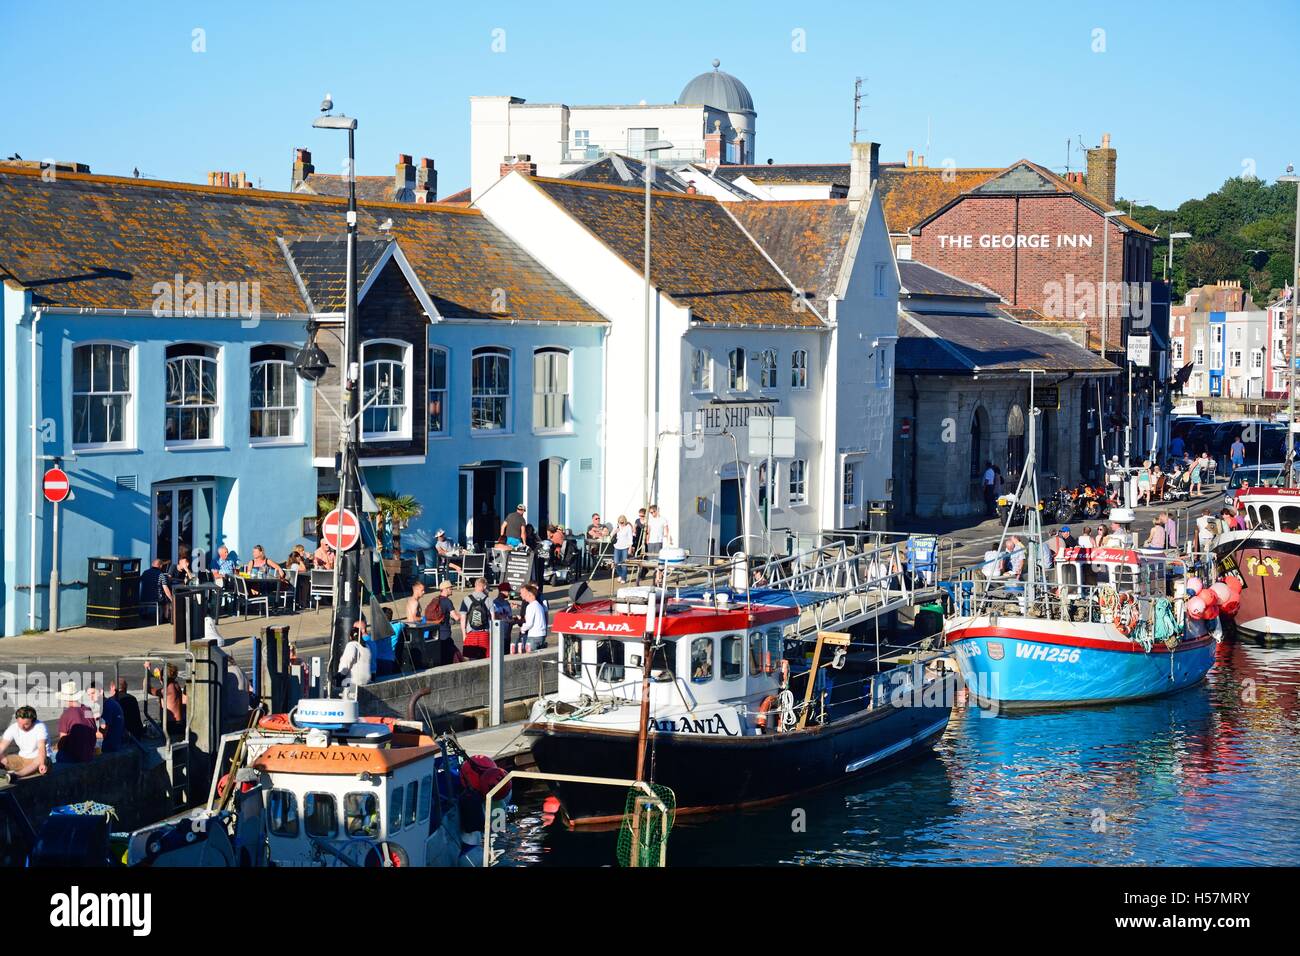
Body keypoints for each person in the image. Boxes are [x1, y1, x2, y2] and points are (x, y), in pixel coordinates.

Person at [54, 681, 97, 765]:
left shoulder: (66, 715)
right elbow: (93, 729)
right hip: (89, 753)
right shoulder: (87, 709)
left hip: (75, 757)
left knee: (55, 755)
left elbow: (62, 741)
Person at [1, 705, 49, 778]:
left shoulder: (40, 727)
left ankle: (17, 775)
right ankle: (7, 773)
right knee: (1, 757)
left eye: (26, 724)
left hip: (40, 760)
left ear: (33, 721)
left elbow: (42, 748)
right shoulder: (13, 728)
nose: (22, 727)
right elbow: (2, 746)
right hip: (22, 759)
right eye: (19, 723)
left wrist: (42, 764)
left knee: (39, 759)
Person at [146, 662, 186, 738]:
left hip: (172, 725)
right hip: (178, 723)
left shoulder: (168, 690)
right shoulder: (175, 685)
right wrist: (158, 676)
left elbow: (147, 689)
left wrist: (146, 672)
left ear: (164, 677)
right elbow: (164, 683)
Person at [457, 578, 492, 660]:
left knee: (472, 661)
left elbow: (463, 619)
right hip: (485, 634)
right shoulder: (489, 600)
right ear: (484, 586)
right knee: (485, 661)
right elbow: (493, 620)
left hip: (471, 634)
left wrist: (464, 635)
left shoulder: (466, 599)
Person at [424, 580, 457, 664]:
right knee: (450, 659)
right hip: (445, 634)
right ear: (445, 589)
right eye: (450, 588)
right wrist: (464, 615)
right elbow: (456, 617)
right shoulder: (447, 601)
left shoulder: (435, 599)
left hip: (434, 633)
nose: (452, 589)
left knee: (439, 658)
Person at [87, 681, 124, 755]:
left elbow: (102, 734)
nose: (90, 697)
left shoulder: (107, 706)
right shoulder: (109, 703)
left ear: (100, 691)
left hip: (109, 747)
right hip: (115, 743)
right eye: (88, 695)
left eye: (93, 693)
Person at [337, 620, 373, 688]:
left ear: (350, 637)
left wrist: (340, 674)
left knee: (337, 685)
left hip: (354, 681)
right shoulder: (366, 646)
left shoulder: (352, 645)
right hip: (366, 680)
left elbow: (347, 661)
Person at [519, 582, 549, 651]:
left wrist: (522, 629)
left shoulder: (531, 606)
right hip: (541, 635)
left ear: (530, 594)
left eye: (525, 594)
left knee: (529, 656)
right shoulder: (539, 605)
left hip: (534, 636)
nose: (523, 596)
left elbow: (529, 624)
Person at [492, 584, 516, 652]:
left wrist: (513, 619)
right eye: (508, 591)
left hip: (508, 634)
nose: (509, 593)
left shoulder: (506, 602)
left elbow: (509, 616)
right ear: (503, 591)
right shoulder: (495, 603)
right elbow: (497, 616)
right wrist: (509, 620)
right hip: (500, 634)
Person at [613, 515, 633, 584]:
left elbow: (630, 538)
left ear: (625, 521)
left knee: (624, 563)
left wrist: (630, 548)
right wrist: (615, 532)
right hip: (617, 547)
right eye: (619, 522)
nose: (621, 524)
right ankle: (621, 575)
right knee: (616, 562)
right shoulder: (617, 527)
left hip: (625, 547)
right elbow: (611, 535)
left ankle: (623, 578)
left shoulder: (628, 527)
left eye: (622, 522)